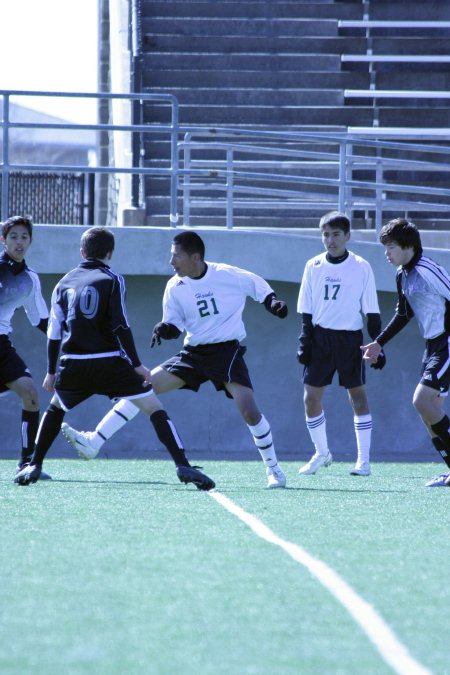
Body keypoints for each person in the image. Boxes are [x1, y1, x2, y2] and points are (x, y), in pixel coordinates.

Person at [60, 230, 288, 488]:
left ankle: (274, 470)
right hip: (193, 354)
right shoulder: (174, 286)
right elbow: (175, 324)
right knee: (141, 388)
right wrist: (165, 328)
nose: (171, 262)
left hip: (226, 353)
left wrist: (273, 303)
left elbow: (258, 286)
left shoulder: (227, 274)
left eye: (176, 256)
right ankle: (94, 442)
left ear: (195, 256)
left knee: (249, 410)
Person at [14, 226, 215, 490]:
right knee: (154, 407)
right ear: (110, 253)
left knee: (55, 409)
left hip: (73, 363)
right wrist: (137, 365)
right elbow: (121, 326)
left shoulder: (64, 283)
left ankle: (34, 464)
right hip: (110, 362)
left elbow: (54, 334)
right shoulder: (113, 280)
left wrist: (51, 371)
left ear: (82, 252)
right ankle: (182, 465)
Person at [361, 218, 450, 487]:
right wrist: (378, 343)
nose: (386, 253)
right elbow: (404, 313)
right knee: (429, 411)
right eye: (385, 248)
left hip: (446, 342)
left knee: (421, 401)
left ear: (408, 246)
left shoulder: (427, 270)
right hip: (432, 346)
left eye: (390, 247)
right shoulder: (403, 274)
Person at [297, 211, 385, 477]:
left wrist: (379, 345)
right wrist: (304, 339)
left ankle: (363, 461)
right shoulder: (313, 265)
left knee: (357, 398)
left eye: (336, 234)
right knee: (310, 399)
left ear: (348, 236)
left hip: (350, 341)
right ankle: (322, 453)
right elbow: (306, 310)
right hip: (320, 339)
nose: (330, 240)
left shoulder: (361, 266)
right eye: (326, 234)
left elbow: (371, 311)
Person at [0, 215, 52, 481]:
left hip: (2, 347)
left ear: (30, 241)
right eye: (13, 237)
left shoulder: (30, 279)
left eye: (23, 237)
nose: (18, 242)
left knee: (31, 393)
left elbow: (40, 319)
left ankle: (26, 463)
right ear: (3, 240)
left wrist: (66, 337)